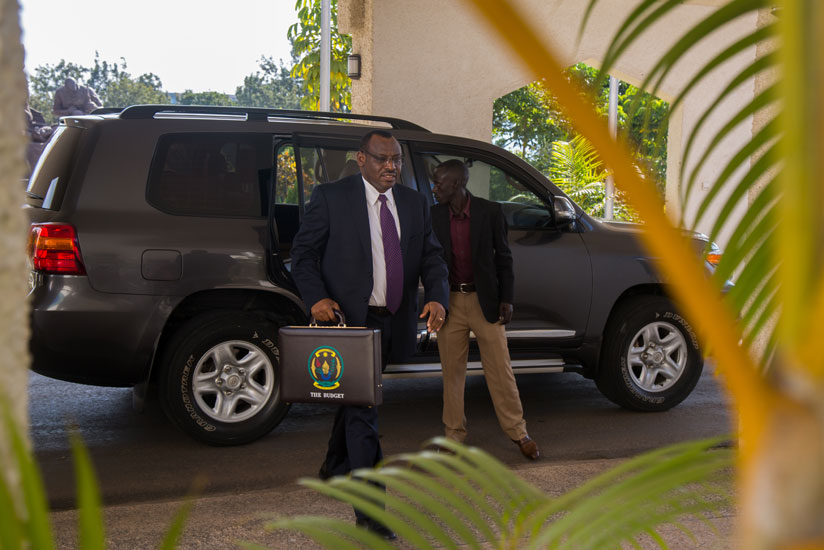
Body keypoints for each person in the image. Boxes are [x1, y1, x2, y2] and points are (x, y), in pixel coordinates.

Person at [290, 129, 449, 539]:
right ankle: (371, 515)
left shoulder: (414, 203)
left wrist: (437, 297)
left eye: (395, 159)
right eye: (381, 159)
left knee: (354, 400)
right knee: (365, 412)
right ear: (361, 159)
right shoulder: (332, 198)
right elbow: (303, 255)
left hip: (393, 320)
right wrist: (316, 299)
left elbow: (431, 256)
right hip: (349, 323)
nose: (391, 167)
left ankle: (333, 464)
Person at [430, 159, 540, 460]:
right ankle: (453, 436)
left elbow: (504, 257)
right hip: (450, 302)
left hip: (485, 301)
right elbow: (429, 260)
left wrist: (507, 298)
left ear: (456, 184)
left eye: (439, 183)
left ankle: (519, 433)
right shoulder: (434, 215)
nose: (434, 188)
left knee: (500, 371)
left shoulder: (489, 212)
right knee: (452, 373)